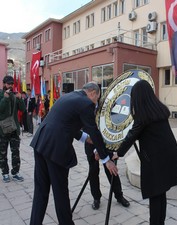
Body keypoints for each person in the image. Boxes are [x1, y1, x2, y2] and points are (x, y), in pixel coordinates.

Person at [29, 82, 118, 225]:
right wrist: (106, 159)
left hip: (41, 143)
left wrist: (85, 138)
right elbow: (94, 131)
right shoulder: (86, 103)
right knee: (61, 193)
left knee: (40, 191)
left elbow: (66, 123)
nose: (96, 103)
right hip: (56, 150)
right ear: (93, 93)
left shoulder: (69, 97)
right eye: (97, 99)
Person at [112, 80, 177, 225]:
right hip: (168, 156)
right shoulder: (158, 109)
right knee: (161, 192)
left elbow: (131, 135)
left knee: (155, 194)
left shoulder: (143, 115)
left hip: (155, 160)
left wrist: (118, 153)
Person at [84, 140, 130, 210]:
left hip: (106, 144)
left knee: (112, 171)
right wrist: (96, 150)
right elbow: (88, 131)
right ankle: (96, 198)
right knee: (93, 171)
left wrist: (117, 149)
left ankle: (119, 196)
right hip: (91, 144)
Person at [0, 75, 26, 183]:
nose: (10, 86)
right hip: (2, 130)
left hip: (14, 129)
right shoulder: (1, 94)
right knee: (2, 153)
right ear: (4, 84)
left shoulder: (15, 95)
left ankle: (15, 172)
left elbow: (23, 109)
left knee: (16, 152)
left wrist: (20, 99)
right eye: (8, 83)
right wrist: (5, 99)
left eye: (11, 84)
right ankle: (5, 173)